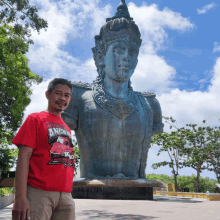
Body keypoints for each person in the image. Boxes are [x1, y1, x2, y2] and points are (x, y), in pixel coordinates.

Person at [62, 0, 163, 179]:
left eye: (132, 52)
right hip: (90, 195)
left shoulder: (149, 104)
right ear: (101, 56)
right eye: (118, 50)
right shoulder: (78, 96)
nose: (126, 58)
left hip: (140, 195)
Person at [12, 78, 75, 220]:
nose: (62, 98)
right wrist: (20, 197)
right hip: (39, 193)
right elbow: (23, 159)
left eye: (67, 95)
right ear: (48, 95)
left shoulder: (67, 128)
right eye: (58, 93)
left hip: (66, 195)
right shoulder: (35, 119)